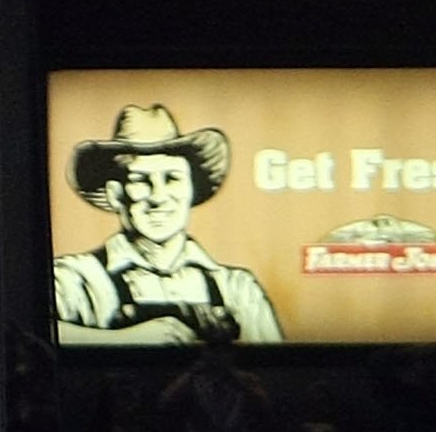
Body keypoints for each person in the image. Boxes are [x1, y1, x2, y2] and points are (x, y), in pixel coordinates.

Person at [52, 105, 283, 346]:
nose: (159, 197)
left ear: (191, 189)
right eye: (141, 180)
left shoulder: (236, 288)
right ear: (115, 194)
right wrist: (126, 340)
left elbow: (277, 365)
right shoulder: (76, 278)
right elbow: (30, 336)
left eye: (172, 179)